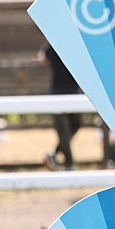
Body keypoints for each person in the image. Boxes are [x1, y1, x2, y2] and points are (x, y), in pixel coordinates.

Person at [39, 42, 83, 170]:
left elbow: (42, 58)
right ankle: (69, 164)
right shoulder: (55, 44)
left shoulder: (72, 44)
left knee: (76, 125)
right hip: (59, 92)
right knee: (64, 130)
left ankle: (53, 154)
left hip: (72, 91)